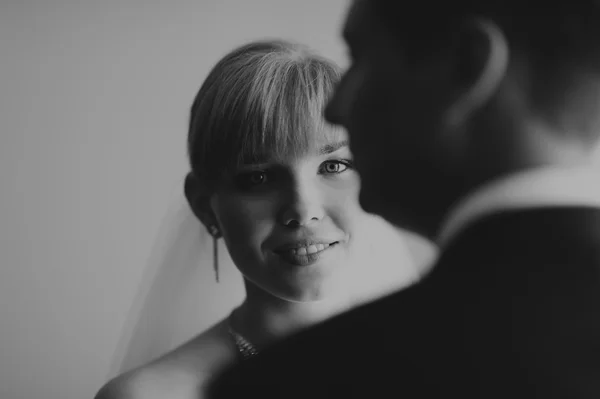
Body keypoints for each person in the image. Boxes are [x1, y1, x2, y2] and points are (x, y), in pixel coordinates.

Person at [208, 1, 600, 398]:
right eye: (258, 176)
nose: (337, 107)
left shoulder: (298, 382)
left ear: (465, 65)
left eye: (361, 59)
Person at [94, 39, 431, 399]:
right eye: (258, 178)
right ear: (204, 206)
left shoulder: (440, 359)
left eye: (334, 166)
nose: (303, 210)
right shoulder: (150, 396)